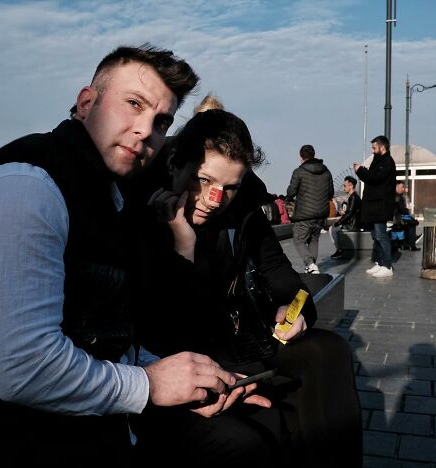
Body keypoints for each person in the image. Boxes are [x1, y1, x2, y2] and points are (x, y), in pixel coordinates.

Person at [0, 45, 258, 467]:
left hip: (55, 426)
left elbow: (93, 325)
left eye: (161, 121)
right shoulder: (26, 185)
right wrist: (150, 385)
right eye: (133, 104)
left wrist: (186, 380)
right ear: (87, 102)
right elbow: (25, 367)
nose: (145, 130)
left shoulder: (106, 193)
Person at [137, 109, 362, 465]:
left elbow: (284, 276)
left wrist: (295, 309)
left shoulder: (242, 213)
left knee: (330, 351)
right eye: (202, 180)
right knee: (263, 419)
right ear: (175, 165)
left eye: (229, 187)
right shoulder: (142, 213)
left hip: (242, 337)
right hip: (179, 350)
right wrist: (184, 246)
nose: (214, 200)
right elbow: (169, 323)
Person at [286, 145, 334, 274]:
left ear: (301, 156)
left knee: (299, 239)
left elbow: (291, 191)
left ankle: (310, 264)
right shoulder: (326, 171)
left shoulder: (299, 171)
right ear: (314, 155)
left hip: (304, 214)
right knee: (314, 239)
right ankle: (311, 267)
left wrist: (289, 197)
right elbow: (331, 193)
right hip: (321, 213)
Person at [354, 135, 396, 278]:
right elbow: (372, 176)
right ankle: (379, 262)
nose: (372, 151)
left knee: (381, 235)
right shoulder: (378, 161)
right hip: (374, 205)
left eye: (374, 148)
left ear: (382, 147)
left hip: (380, 205)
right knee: (376, 236)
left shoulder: (387, 162)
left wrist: (360, 170)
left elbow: (375, 178)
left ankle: (387, 265)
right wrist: (363, 170)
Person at [329, 175, 361, 259]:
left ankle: (339, 250)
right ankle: (340, 249)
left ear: (351, 185)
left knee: (333, 229)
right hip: (353, 222)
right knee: (333, 228)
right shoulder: (354, 197)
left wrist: (337, 223)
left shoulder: (353, 197)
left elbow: (349, 213)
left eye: (345, 185)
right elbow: (351, 212)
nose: (343, 188)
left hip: (352, 225)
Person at [393, 181, 420, 251]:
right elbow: (402, 209)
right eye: (402, 187)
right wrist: (407, 210)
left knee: (411, 222)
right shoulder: (398, 197)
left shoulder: (396, 196)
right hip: (397, 218)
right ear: (396, 187)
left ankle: (405, 244)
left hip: (397, 217)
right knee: (412, 223)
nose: (403, 189)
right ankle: (411, 244)